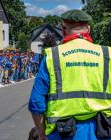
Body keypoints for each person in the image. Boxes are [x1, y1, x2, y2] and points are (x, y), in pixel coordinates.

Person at [28, 9, 111, 140]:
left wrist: (42, 134)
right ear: (88, 29)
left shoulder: (53, 56)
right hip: (103, 130)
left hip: (63, 133)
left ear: (63, 30)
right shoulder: (107, 54)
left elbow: (36, 102)